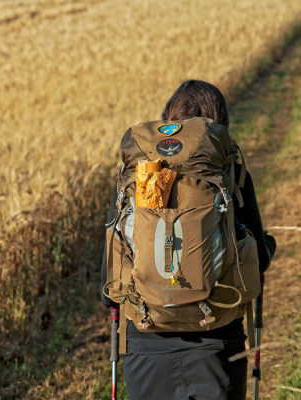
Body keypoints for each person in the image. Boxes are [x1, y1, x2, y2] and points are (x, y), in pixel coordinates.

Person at [100, 80, 276, 400]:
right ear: (218, 123)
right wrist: (268, 244)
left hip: (145, 344)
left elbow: (109, 281)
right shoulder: (230, 169)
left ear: (168, 117)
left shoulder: (140, 172)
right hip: (216, 340)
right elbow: (258, 260)